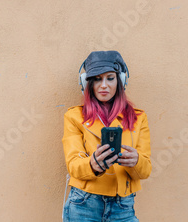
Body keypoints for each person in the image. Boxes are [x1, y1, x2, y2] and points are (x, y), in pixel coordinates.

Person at [61, 51, 152, 221]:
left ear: (120, 81)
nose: (103, 85)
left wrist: (136, 161)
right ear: (87, 83)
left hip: (123, 206)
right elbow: (73, 164)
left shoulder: (139, 118)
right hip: (84, 203)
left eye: (110, 78)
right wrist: (93, 164)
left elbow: (146, 169)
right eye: (97, 79)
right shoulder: (74, 117)